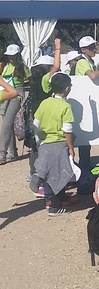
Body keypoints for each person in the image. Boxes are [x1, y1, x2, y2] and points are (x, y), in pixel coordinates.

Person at [32, 73, 75, 216]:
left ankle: (41, 176)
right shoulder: (65, 106)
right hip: (59, 143)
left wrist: (39, 141)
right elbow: (67, 129)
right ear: (67, 88)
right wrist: (70, 147)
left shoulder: (44, 103)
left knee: (51, 173)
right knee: (58, 174)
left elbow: (35, 124)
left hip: (45, 142)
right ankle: (55, 207)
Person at [27, 39, 62, 189]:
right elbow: (57, 66)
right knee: (44, 148)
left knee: (35, 147)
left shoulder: (34, 83)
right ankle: (40, 179)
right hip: (43, 119)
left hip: (34, 118)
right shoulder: (44, 81)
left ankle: (33, 173)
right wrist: (58, 48)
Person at [0, 44, 31, 164]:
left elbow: (31, 81)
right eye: (9, 56)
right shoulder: (4, 65)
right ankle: (12, 152)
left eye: (13, 56)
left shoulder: (23, 67)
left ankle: (2, 152)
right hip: (5, 93)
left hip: (17, 94)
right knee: (9, 124)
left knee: (7, 124)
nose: (11, 58)